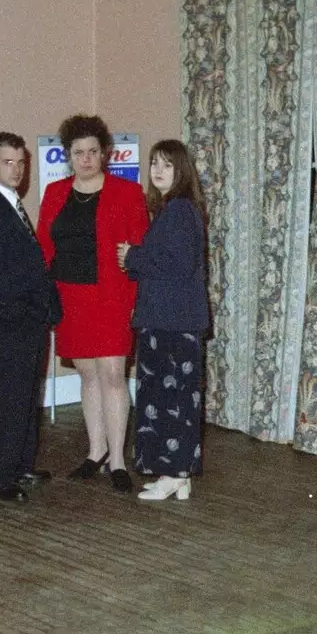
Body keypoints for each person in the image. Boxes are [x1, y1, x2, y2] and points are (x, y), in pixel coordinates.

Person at [37, 114, 149, 491]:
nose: (85, 159)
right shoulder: (54, 194)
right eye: (78, 152)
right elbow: (44, 247)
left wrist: (135, 301)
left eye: (92, 152)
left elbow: (140, 251)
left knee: (114, 376)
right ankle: (95, 450)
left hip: (112, 296)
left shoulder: (127, 193)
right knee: (87, 375)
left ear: (105, 154)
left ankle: (117, 458)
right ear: (68, 156)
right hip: (71, 296)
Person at [0, 132, 60, 503]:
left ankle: (20, 464)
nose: (17, 170)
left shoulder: (11, 206)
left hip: (24, 320)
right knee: (9, 399)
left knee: (24, 397)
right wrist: (19, 313)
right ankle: (0, 476)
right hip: (9, 322)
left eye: (21, 163)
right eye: (8, 162)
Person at [116, 139, 209, 502]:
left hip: (173, 322)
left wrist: (133, 256)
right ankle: (177, 475)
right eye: (154, 163)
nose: (157, 170)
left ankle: (175, 471)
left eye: (167, 165)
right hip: (168, 319)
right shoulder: (174, 210)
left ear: (181, 170)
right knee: (171, 397)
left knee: (172, 398)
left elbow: (177, 265)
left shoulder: (180, 211)